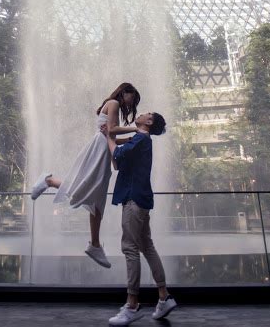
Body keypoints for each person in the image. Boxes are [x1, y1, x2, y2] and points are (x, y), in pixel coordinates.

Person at [30, 83, 140, 268]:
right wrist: (136, 130)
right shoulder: (113, 102)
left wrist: (129, 140)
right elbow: (111, 131)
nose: (133, 103)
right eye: (133, 98)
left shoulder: (114, 105)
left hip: (103, 150)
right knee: (85, 189)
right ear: (124, 92)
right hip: (99, 150)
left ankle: (95, 244)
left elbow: (110, 136)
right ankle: (49, 180)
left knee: (97, 201)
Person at [106, 112, 177, 325]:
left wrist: (109, 138)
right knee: (147, 246)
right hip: (141, 199)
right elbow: (119, 164)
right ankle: (164, 296)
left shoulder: (141, 138)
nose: (142, 113)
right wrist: (111, 139)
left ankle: (132, 305)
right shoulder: (141, 140)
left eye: (146, 114)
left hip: (134, 199)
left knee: (130, 248)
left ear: (149, 122)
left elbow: (117, 155)